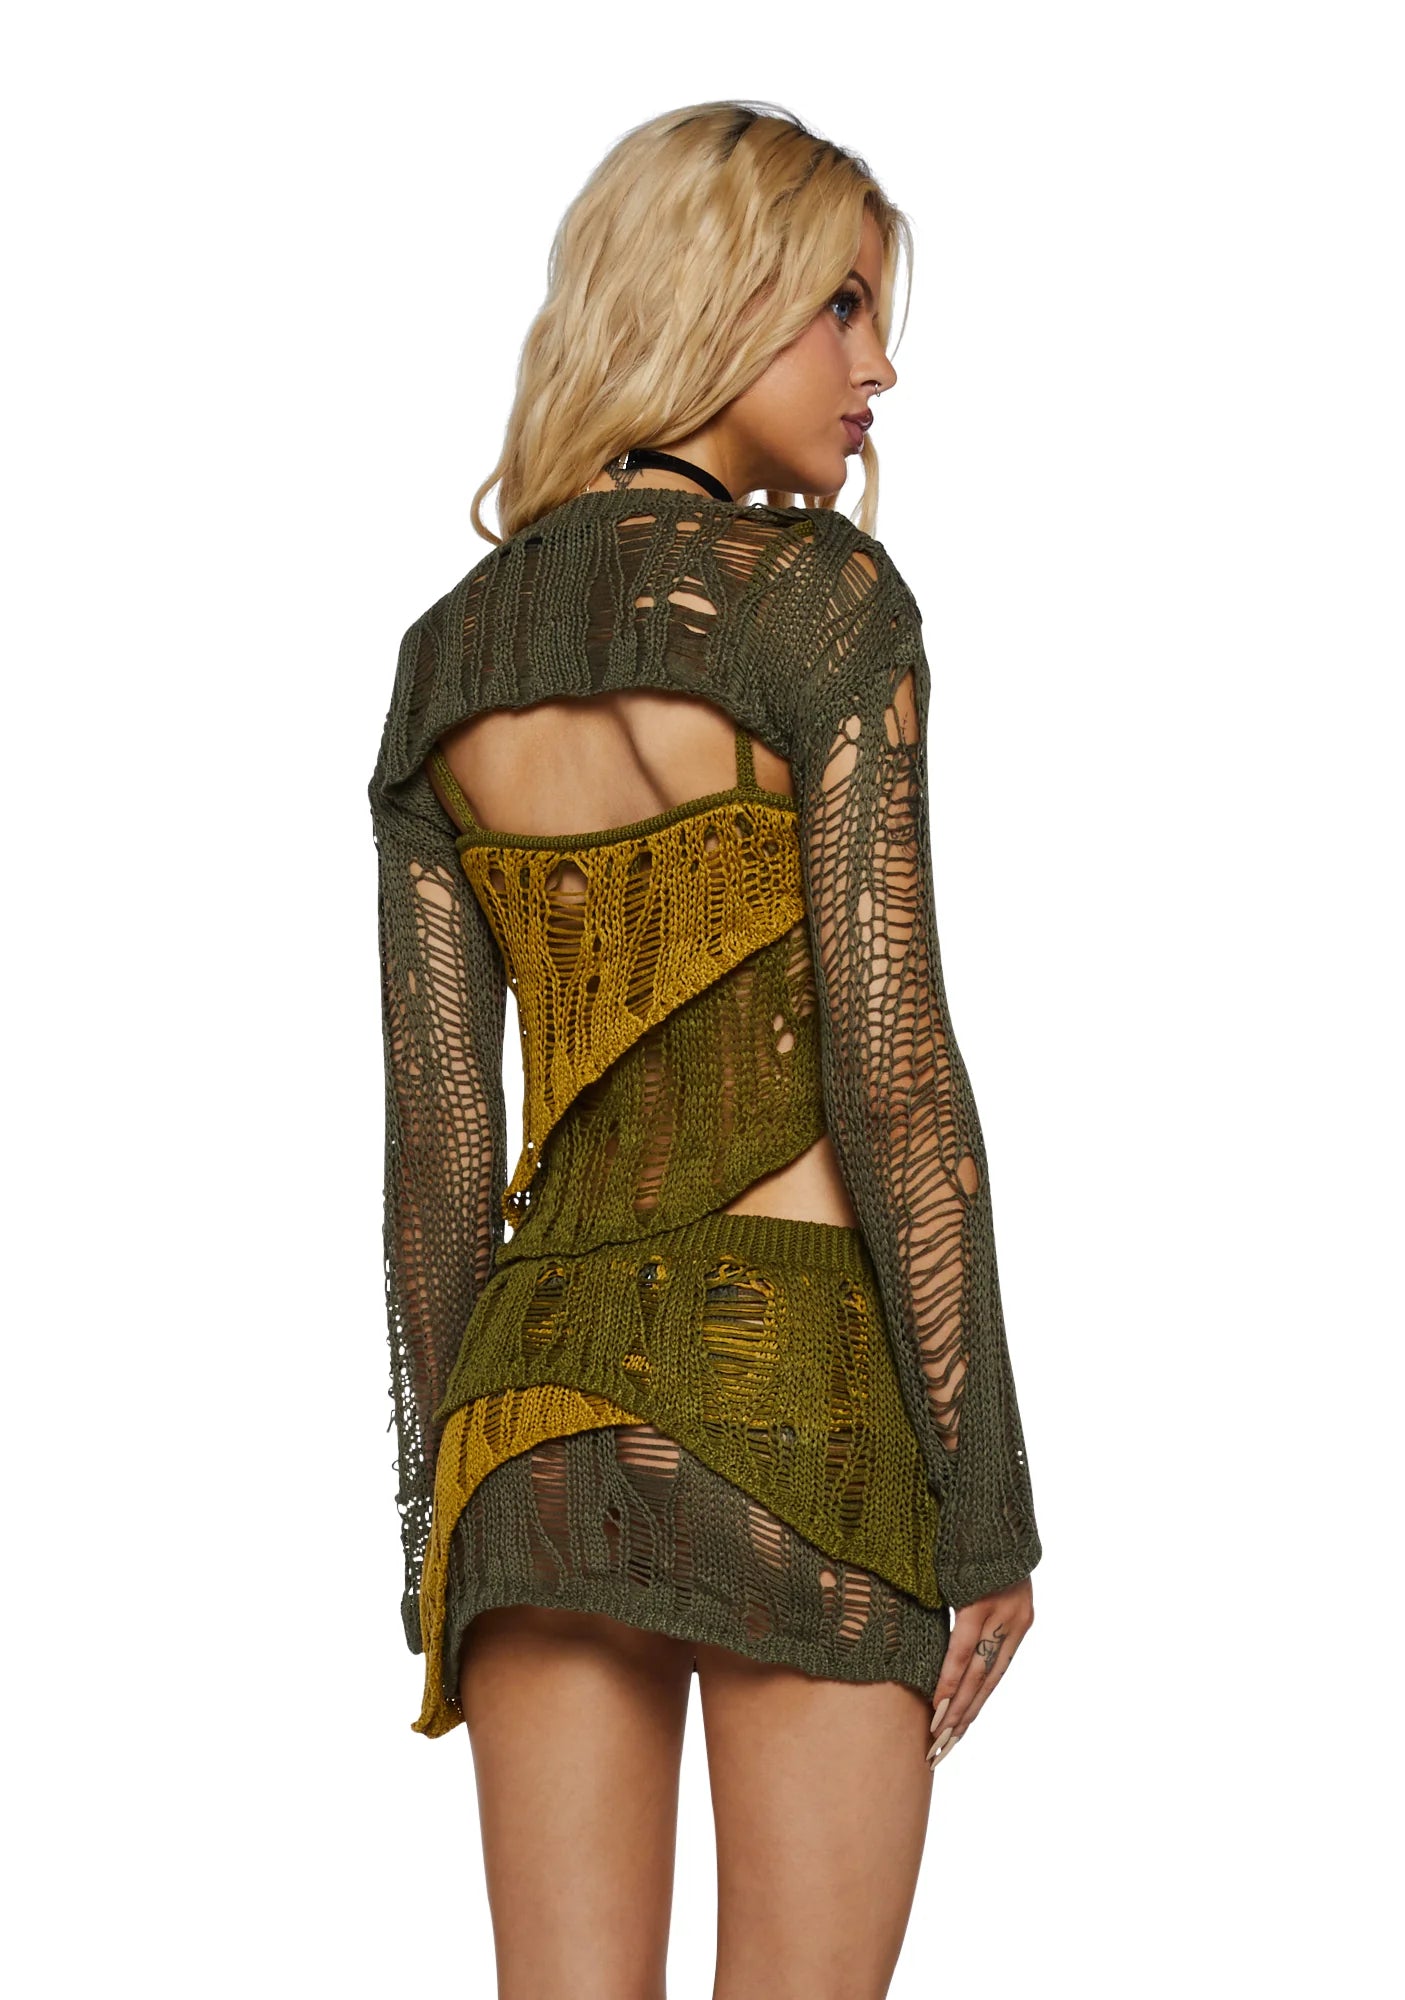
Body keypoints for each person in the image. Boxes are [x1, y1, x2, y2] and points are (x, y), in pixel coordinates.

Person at [368, 100, 1042, 2000]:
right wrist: (986, 1507)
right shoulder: (820, 605)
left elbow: (438, 1146)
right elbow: (894, 1081)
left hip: (531, 1424)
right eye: (840, 304)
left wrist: (440, 1537)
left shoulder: (444, 662)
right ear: (716, 297)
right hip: (797, 1401)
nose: (876, 363)